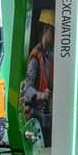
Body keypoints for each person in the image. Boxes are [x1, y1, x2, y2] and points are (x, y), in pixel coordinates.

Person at [22, 9, 55, 144]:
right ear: (46, 29)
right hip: (34, 117)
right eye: (54, 32)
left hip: (45, 115)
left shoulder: (50, 55)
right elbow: (27, 91)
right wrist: (42, 95)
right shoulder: (35, 57)